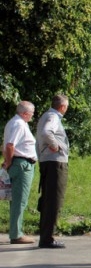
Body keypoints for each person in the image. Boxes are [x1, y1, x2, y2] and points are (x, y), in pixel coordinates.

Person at [36, 94, 70, 249]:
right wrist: (56, 145)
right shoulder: (53, 117)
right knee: (54, 199)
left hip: (48, 161)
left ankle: (46, 235)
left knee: (49, 198)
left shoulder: (47, 115)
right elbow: (46, 132)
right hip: (54, 162)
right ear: (62, 106)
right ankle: (47, 238)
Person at [2, 101, 38, 244]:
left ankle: (15, 231)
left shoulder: (15, 122)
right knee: (19, 200)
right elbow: (10, 145)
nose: (32, 116)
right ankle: (16, 234)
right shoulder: (18, 124)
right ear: (25, 113)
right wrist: (9, 162)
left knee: (16, 199)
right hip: (22, 164)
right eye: (32, 113)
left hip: (19, 162)